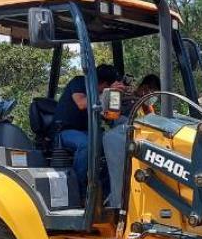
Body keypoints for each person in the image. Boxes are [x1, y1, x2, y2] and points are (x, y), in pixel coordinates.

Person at [56, 64, 123, 196]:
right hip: (65, 131)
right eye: (108, 88)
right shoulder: (79, 82)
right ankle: (78, 190)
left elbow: (108, 116)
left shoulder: (100, 96)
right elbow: (81, 103)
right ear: (104, 84)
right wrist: (106, 94)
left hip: (88, 132)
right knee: (87, 144)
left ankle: (107, 193)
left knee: (113, 143)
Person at [103, 73, 161, 208]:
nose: (154, 97)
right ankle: (118, 201)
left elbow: (153, 118)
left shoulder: (144, 104)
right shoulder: (126, 99)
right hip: (122, 139)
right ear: (145, 88)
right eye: (153, 92)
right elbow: (113, 118)